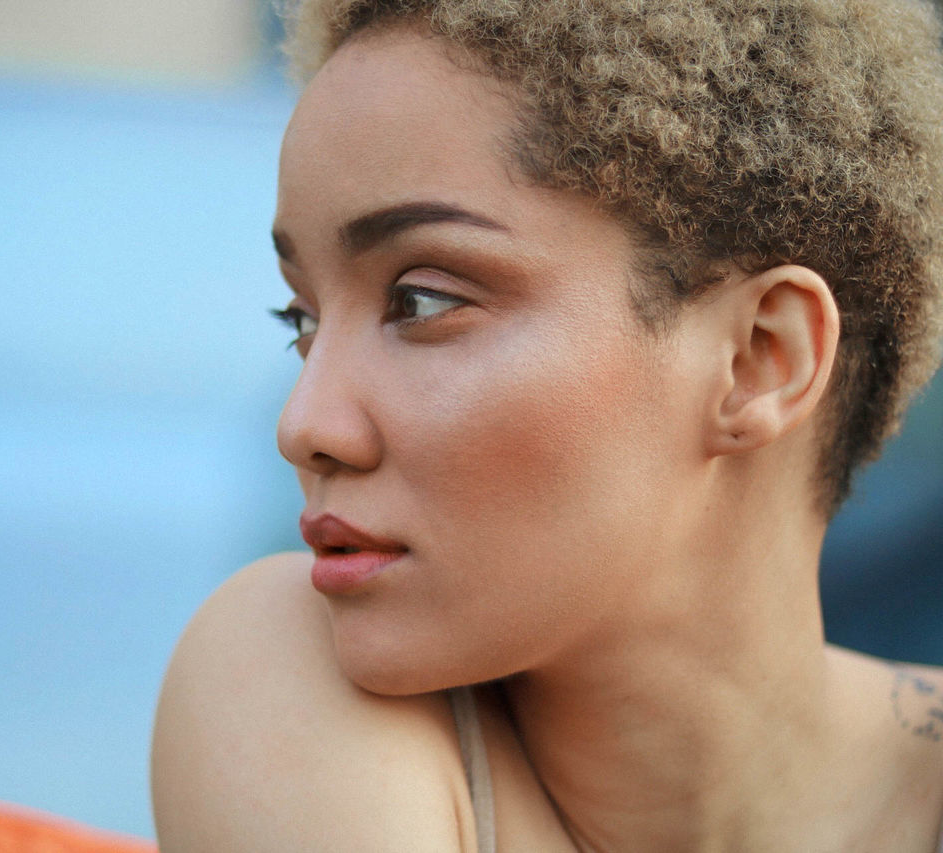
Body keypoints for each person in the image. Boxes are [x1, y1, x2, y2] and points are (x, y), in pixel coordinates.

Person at [151, 0, 943, 849]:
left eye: (421, 301)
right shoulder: (285, 673)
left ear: (759, 358)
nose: (304, 423)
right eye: (301, 317)